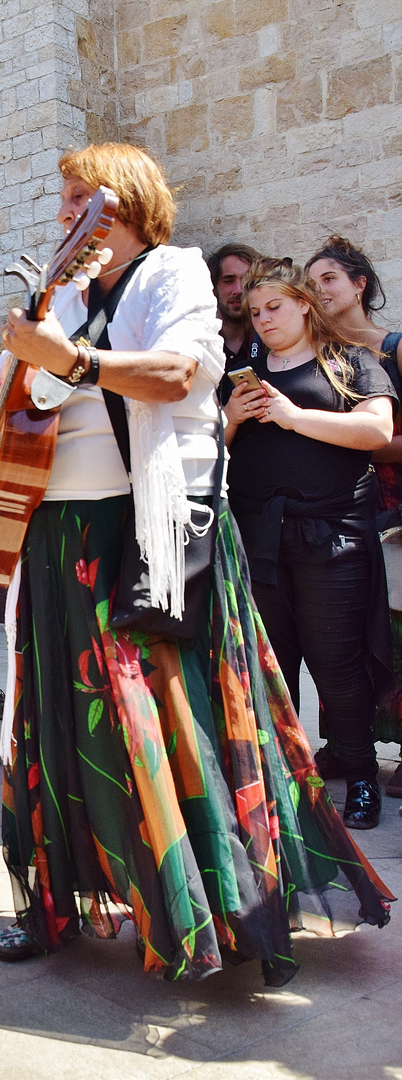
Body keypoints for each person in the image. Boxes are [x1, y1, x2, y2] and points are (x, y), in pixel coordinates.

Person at [0, 143, 393, 982]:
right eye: (62, 198)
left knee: (157, 720)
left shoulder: (173, 271)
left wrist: (65, 359)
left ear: (129, 203)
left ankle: (206, 909)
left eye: (81, 197)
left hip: (141, 527)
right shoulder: (59, 292)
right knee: (57, 721)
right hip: (49, 532)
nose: (65, 211)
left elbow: (180, 374)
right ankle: (52, 901)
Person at [224, 261, 396, 826]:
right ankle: (283, 782)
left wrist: (295, 418)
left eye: (275, 306)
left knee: (337, 662)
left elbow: (375, 432)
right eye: (255, 312)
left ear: (304, 303)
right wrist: (229, 419)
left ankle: (362, 777)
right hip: (257, 535)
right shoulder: (239, 368)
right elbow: (205, 449)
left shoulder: (349, 362)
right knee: (270, 662)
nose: (264, 319)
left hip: (333, 534)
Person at [306, 237, 402, 795]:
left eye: (331, 280)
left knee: (397, 633)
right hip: (343, 512)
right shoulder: (317, 355)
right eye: (313, 284)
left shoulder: (391, 349)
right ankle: (347, 741)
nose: (320, 292)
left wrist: (358, 441)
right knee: (341, 630)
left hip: (394, 510)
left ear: (359, 284)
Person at [208, 242, 266, 368]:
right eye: (229, 281)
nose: (238, 290)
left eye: (246, 280)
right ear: (214, 288)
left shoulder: (271, 342)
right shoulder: (204, 344)